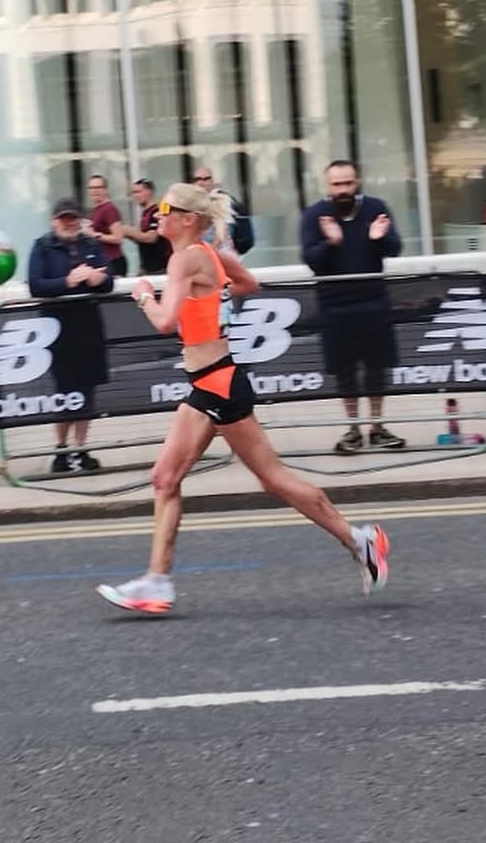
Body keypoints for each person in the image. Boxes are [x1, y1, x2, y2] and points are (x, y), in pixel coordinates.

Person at [95, 182, 390, 614]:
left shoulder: (184, 258)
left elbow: (164, 322)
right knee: (168, 478)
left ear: (187, 219)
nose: (157, 214)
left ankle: (359, 540)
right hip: (211, 382)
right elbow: (248, 282)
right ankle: (157, 582)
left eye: (165, 209)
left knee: (269, 478)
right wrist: (209, 303)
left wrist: (143, 295)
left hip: (217, 384)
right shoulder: (210, 254)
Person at [300, 159, 406, 455]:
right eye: (337, 184)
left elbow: (395, 248)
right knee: (344, 371)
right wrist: (331, 242)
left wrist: (378, 239)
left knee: (376, 369)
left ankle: (377, 427)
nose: (343, 190)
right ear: (327, 186)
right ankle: (353, 428)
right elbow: (311, 259)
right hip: (334, 306)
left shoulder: (375, 208)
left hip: (373, 302)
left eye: (347, 183)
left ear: (356, 182)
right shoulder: (315, 215)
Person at [28, 198, 113, 473]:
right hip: (57, 329)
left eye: (73, 218)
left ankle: (81, 447)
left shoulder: (90, 244)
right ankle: (61, 449)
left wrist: (100, 279)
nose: (69, 223)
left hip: (88, 326)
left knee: (88, 389)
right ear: (54, 221)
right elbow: (36, 285)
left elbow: (109, 277)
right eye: (63, 218)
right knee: (64, 391)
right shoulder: (42, 246)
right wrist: (68, 281)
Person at [192, 165, 255, 255]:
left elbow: (220, 235)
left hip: (220, 254)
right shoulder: (192, 203)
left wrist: (211, 253)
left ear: (212, 182)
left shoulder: (220, 199)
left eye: (206, 179)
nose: (201, 182)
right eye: (197, 179)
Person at [120, 178, 171, 274]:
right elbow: (142, 239)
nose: (135, 196)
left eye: (138, 192)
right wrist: (127, 234)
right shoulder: (145, 213)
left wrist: (130, 231)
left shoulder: (156, 211)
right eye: (133, 193)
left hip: (159, 267)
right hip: (147, 267)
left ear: (149, 192)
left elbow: (152, 238)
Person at [84, 173, 127, 277]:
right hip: (103, 261)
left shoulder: (109, 209)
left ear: (106, 190)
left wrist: (94, 234)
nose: (95, 191)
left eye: (98, 187)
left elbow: (118, 238)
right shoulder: (96, 210)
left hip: (113, 261)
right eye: (91, 188)